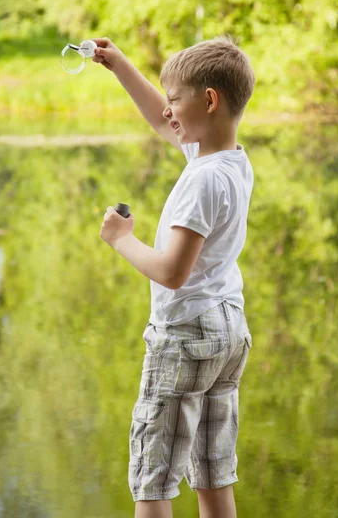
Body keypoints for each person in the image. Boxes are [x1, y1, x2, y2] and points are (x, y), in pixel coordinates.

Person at [94, 35, 255, 518]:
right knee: (213, 470)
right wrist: (120, 64)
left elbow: (172, 273)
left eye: (175, 100)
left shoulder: (201, 180)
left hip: (186, 335)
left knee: (154, 478)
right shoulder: (228, 161)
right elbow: (159, 117)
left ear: (209, 100)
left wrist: (122, 239)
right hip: (227, 330)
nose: (167, 112)